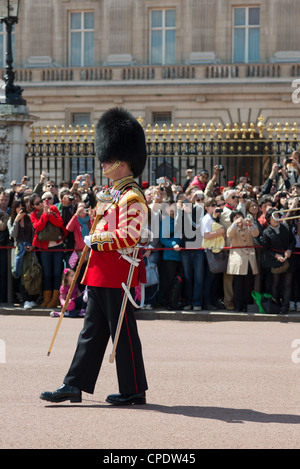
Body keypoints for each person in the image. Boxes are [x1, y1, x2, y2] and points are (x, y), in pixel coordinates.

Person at [40, 107, 148, 406]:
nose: (104, 163)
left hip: (118, 274)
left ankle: (134, 389)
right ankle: (74, 385)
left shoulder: (132, 197)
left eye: (109, 159)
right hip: (100, 273)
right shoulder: (111, 194)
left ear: (123, 162)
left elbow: (129, 235)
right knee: (91, 333)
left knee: (123, 334)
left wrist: (96, 239)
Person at [30, 192, 68, 308]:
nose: (41, 203)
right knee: (47, 274)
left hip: (57, 244)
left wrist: (49, 213)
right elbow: (38, 227)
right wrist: (45, 215)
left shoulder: (53, 208)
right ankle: (47, 298)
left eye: (41, 201)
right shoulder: (33, 214)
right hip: (44, 247)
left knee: (57, 273)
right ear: (33, 206)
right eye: (38, 203)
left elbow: (59, 223)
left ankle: (55, 299)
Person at [262, 208, 296, 314]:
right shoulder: (266, 232)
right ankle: (276, 305)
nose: (276, 219)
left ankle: (285, 307)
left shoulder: (286, 226)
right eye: (273, 217)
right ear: (268, 219)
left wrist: (290, 250)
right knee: (275, 283)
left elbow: (293, 240)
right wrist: (276, 255)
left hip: (288, 259)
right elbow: (266, 249)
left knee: (287, 284)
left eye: (277, 216)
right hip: (275, 261)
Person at [226, 210, 259, 312]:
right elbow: (229, 234)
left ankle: (246, 305)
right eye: (235, 217)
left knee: (248, 283)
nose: (239, 219)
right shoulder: (232, 228)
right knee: (238, 284)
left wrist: (251, 224)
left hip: (249, 258)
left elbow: (256, 234)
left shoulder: (248, 227)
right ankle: (237, 305)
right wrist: (235, 223)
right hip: (237, 257)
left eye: (240, 216)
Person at [8, 199, 35, 309]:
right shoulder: (11, 219)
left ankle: (30, 299)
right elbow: (13, 234)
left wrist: (32, 245)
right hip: (19, 251)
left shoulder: (29, 219)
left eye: (22, 207)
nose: (20, 209)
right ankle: (25, 300)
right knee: (19, 274)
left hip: (29, 252)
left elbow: (34, 234)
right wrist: (16, 221)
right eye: (18, 207)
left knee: (30, 275)